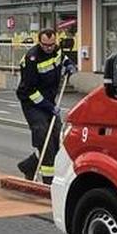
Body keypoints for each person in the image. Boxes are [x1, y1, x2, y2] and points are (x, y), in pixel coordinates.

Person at [15, 28, 76, 183]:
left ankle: (29, 166)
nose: (49, 48)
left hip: (49, 100)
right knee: (44, 139)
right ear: (39, 42)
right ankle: (48, 182)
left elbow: (62, 58)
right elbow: (29, 91)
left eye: (51, 44)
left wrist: (69, 64)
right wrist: (49, 107)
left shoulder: (56, 49)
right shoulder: (31, 59)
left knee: (56, 138)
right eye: (45, 45)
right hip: (32, 103)